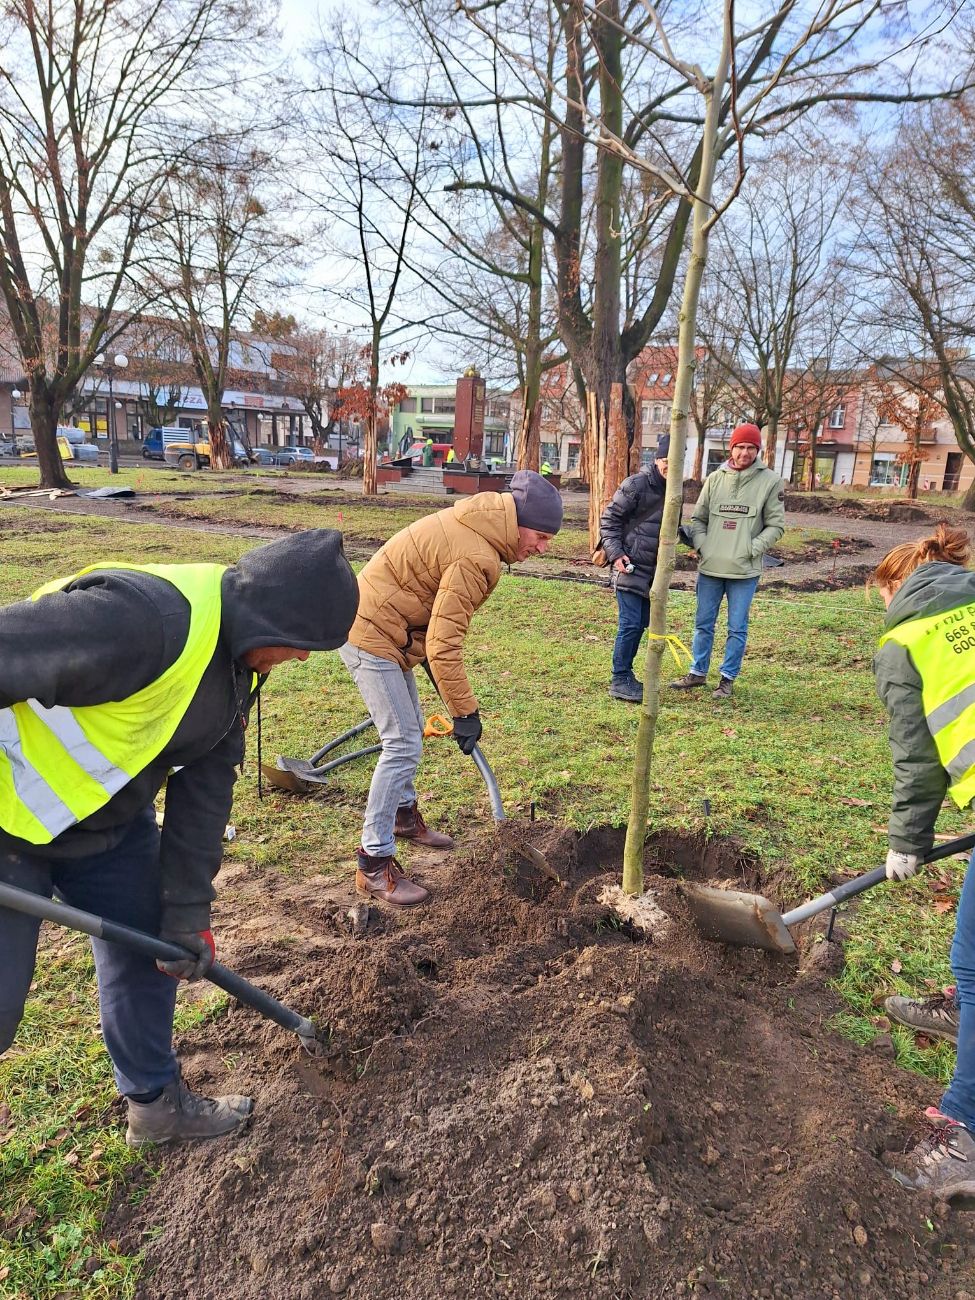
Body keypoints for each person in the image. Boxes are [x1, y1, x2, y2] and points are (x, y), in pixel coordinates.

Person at [0, 532, 358, 1147]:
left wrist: (187, 912)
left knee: (151, 956)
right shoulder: (140, 620)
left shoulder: (234, 670)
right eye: (304, 646)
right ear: (272, 617)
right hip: (8, 824)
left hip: (107, 826)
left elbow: (207, 789)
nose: (302, 660)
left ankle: (156, 1107)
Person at [340, 469, 563, 906]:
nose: (541, 548)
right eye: (539, 536)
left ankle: (403, 817)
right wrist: (465, 712)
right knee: (402, 742)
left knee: (411, 728)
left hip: (390, 625)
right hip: (370, 630)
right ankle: (373, 863)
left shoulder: (477, 525)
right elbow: (444, 644)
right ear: (516, 523)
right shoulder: (475, 557)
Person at [870, 523, 975, 1197]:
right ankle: (962, 1006)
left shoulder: (902, 637)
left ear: (894, 584)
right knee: (970, 958)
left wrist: (906, 842)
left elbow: (918, 760)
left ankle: (963, 1134)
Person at [671, 422, 785, 699]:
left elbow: (776, 525)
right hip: (710, 567)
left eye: (750, 448)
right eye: (740, 447)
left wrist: (751, 548)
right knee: (703, 622)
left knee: (737, 627)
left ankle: (727, 679)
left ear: (757, 450)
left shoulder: (770, 481)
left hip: (744, 571)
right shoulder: (715, 479)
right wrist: (702, 545)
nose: (744, 453)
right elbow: (699, 519)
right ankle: (697, 673)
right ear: (731, 448)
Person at [598, 434, 670, 703]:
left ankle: (627, 674)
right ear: (657, 459)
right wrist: (617, 555)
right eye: (665, 460)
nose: (668, 466)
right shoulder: (636, 484)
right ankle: (620, 678)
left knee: (640, 624)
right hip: (629, 566)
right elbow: (610, 521)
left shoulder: (674, 489)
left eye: (675, 461)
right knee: (629, 624)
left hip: (653, 572)